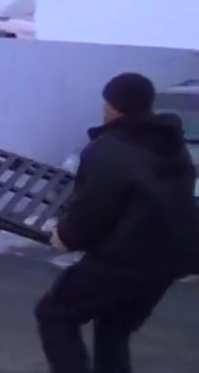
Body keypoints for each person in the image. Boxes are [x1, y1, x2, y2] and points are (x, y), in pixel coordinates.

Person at [36, 72, 199, 373]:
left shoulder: (109, 148)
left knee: (55, 314)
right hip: (171, 259)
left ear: (113, 106)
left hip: (126, 257)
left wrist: (67, 235)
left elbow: (93, 206)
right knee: (113, 327)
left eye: (106, 102)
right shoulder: (172, 145)